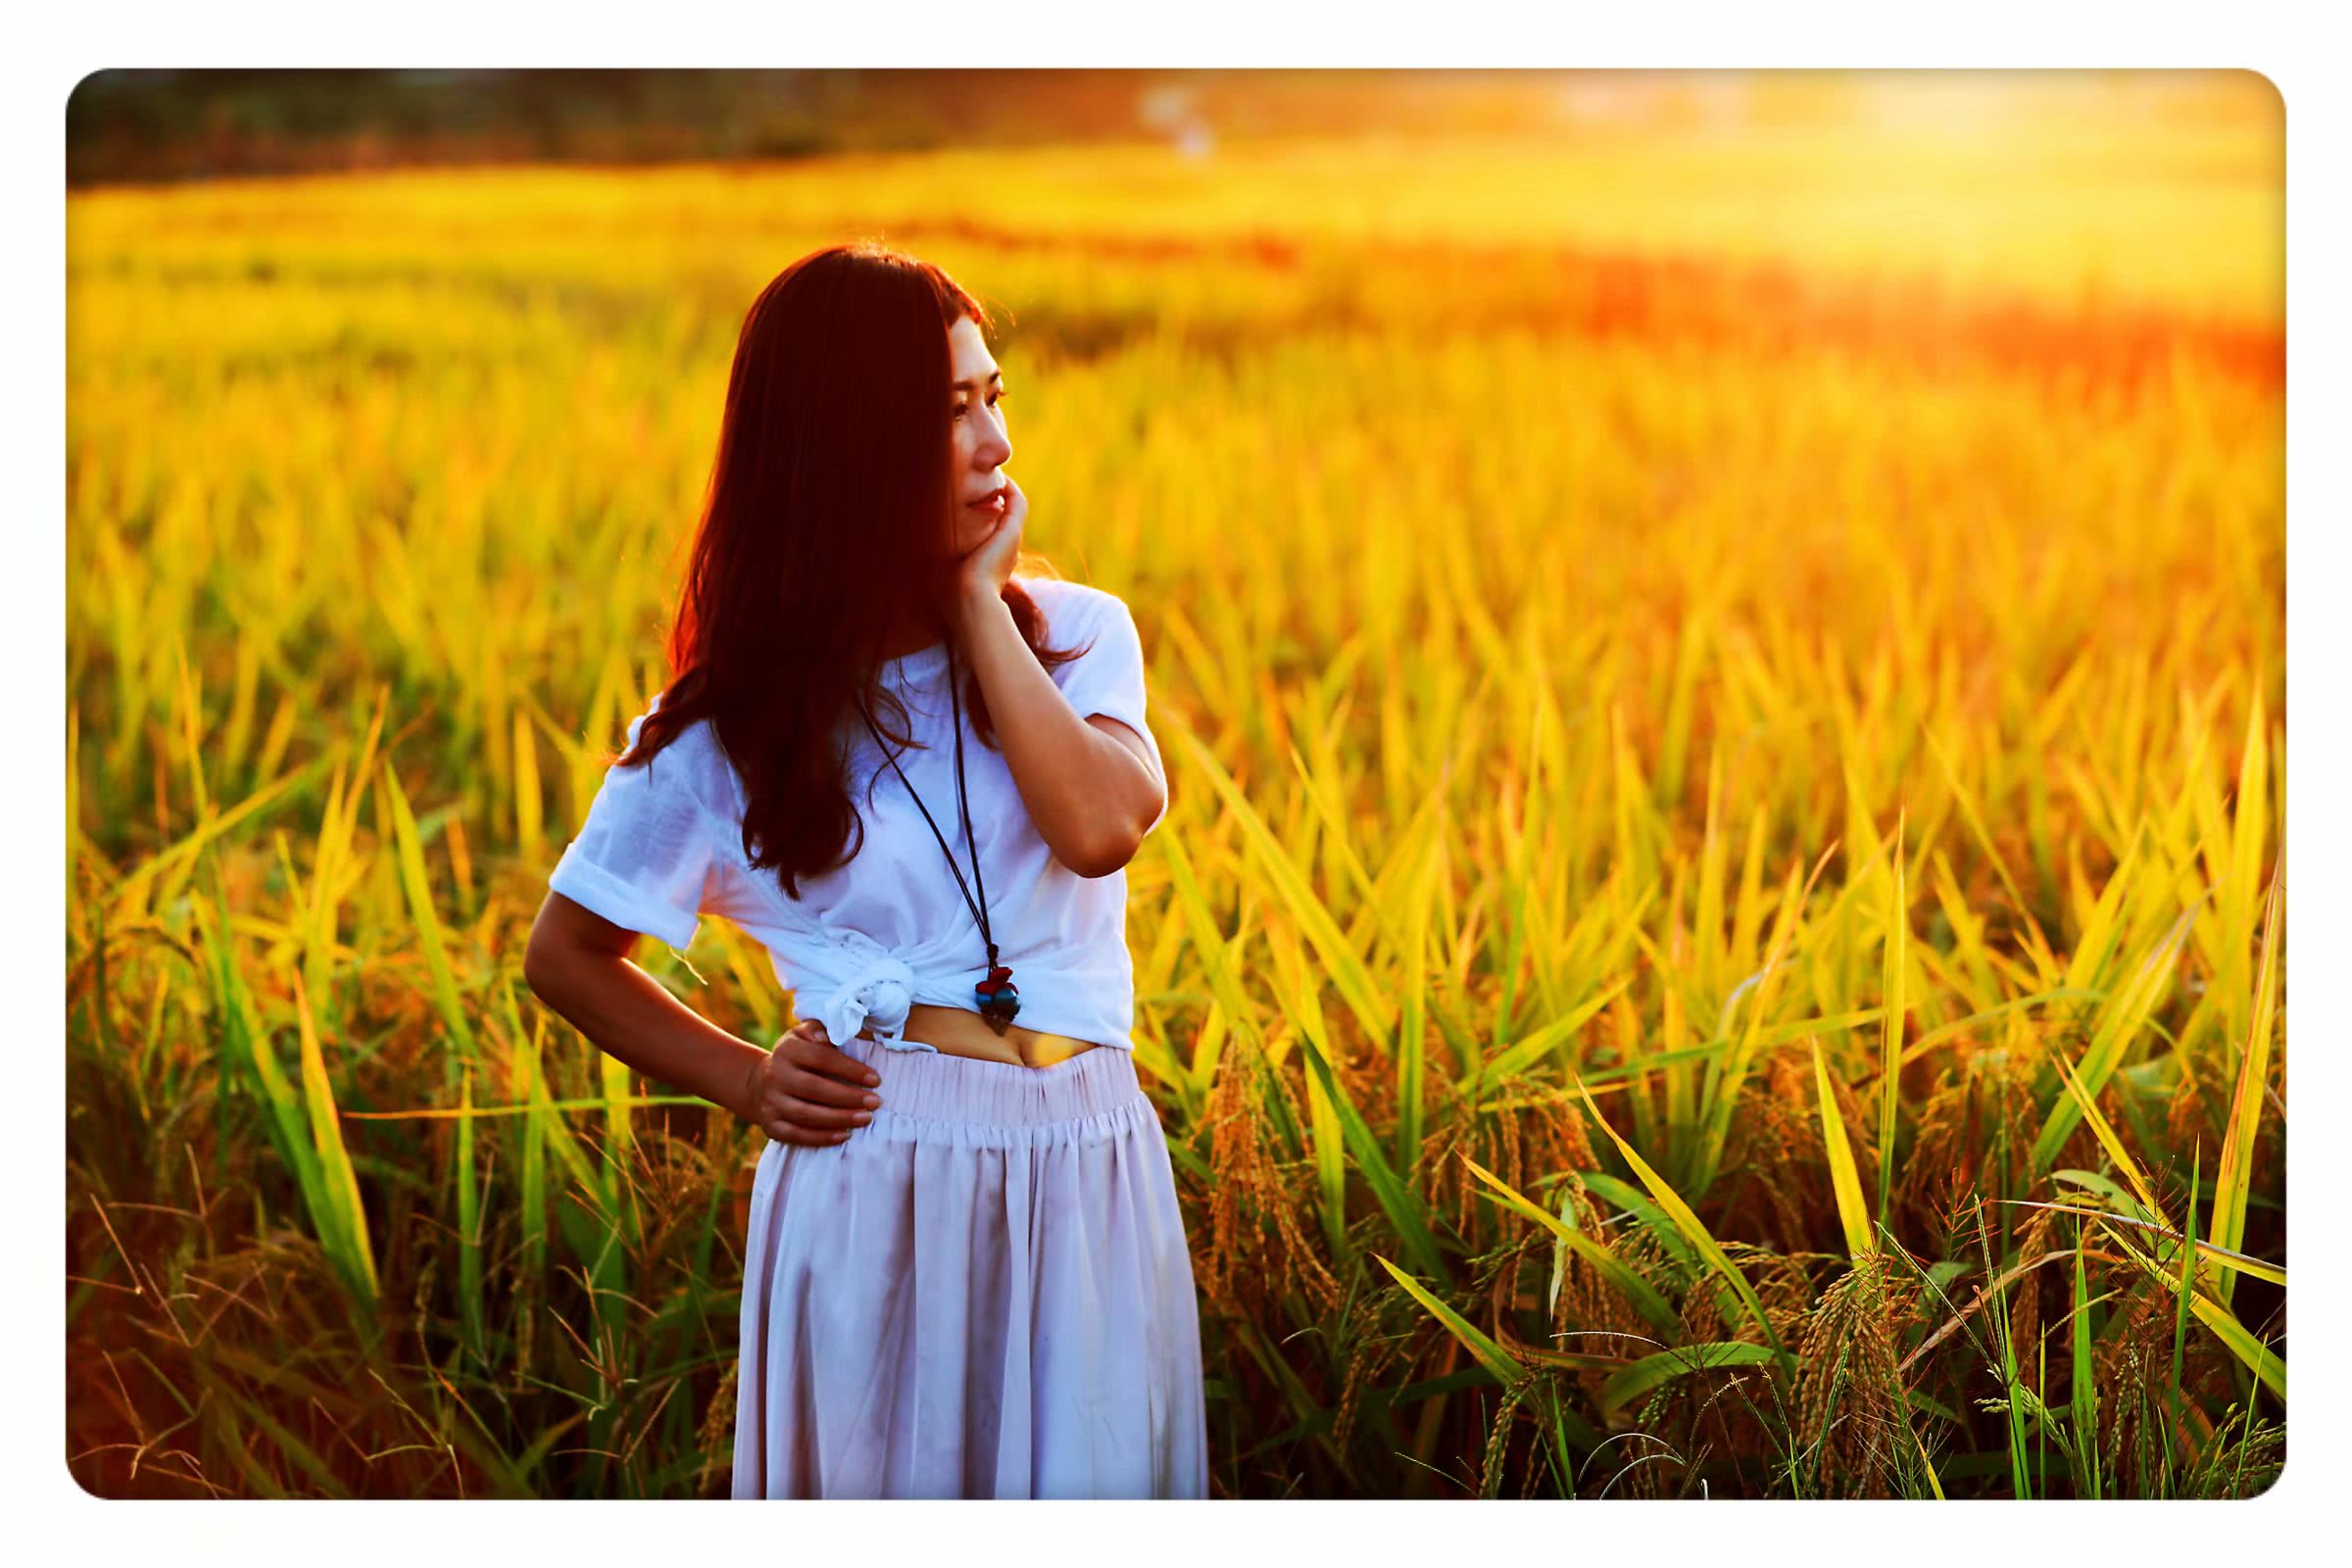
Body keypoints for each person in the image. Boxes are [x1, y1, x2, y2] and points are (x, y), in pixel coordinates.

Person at [522, 242, 1209, 1499]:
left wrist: (975, 608)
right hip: (876, 1176)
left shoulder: (1075, 640)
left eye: (994, 394)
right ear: (850, 444)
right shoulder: (728, 730)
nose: (997, 438)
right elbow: (564, 957)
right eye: (953, 411)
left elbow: (1100, 826)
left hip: (1088, 1162)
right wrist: (744, 1078)